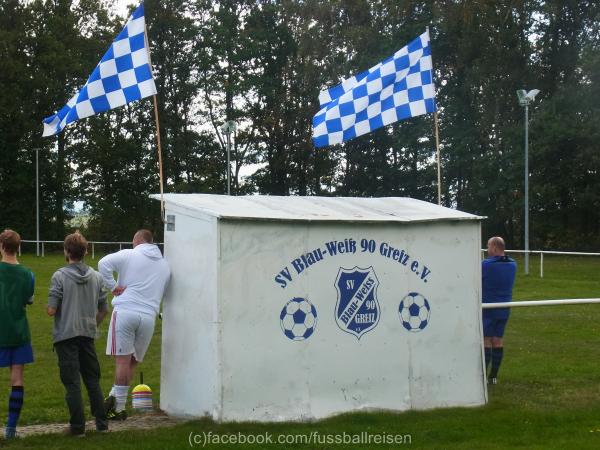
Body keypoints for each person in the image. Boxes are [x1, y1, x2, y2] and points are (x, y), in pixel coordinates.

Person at [98, 229, 170, 420]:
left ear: (137, 241)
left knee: (122, 361)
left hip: (125, 311)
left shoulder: (130, 254)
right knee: (132, 362)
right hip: (148, 317)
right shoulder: (165, 266)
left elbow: (103, 263)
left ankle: (116, 404)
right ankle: (117, 404)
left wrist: (113, 287)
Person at [47, 232, 109, 436]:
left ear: (66, 251)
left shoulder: (59, 276)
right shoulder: (97, 276)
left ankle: (77, 427)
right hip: (87, 335)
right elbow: (103, 309)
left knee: (72, 382)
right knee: (92, 380)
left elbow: (52, 310)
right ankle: (102, 424)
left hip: (66, 336)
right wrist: (93, 324)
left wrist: (51, 306)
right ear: (86, 251)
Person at [0, 230, 35, 439]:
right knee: (17, 379)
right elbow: (28, 301)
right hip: (19, 332)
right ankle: (11, 429)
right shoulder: (28, 274)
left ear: (1, 246)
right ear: (19, 247)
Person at [482, 236, 517, 385]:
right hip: (505, 307)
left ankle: (482, 376)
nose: (487, 249)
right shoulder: (513, 264)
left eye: (488, 246)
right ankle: (493, 377)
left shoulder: (486, 265)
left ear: (495, 248)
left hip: (488, 307)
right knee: (498, 340)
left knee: (486, 340)